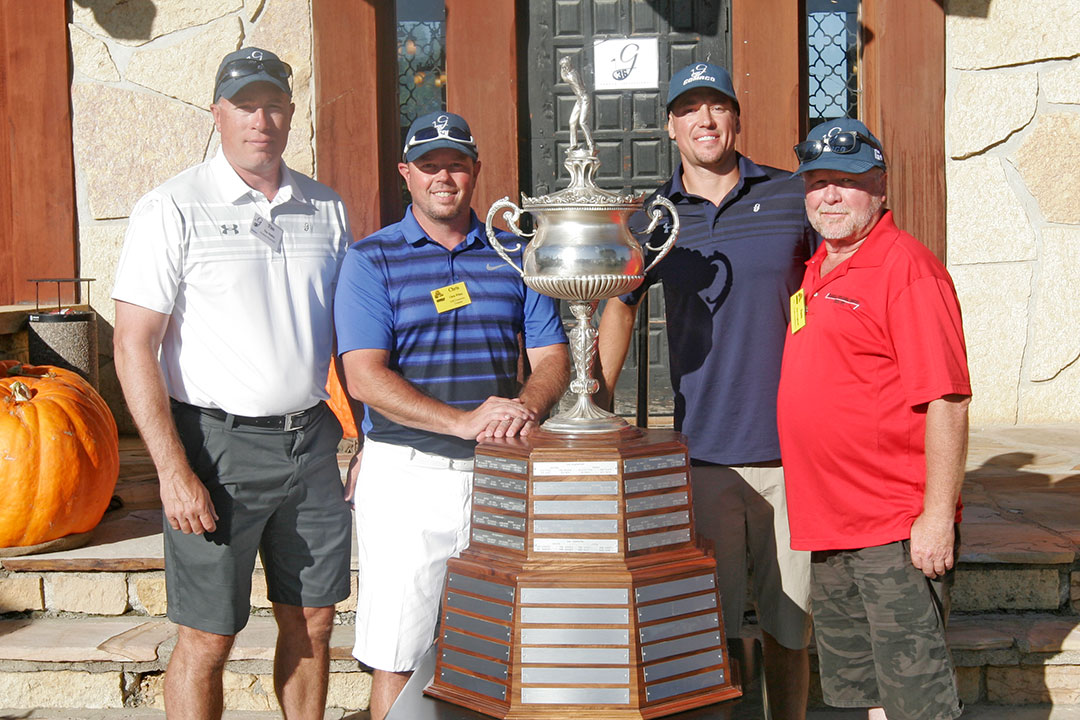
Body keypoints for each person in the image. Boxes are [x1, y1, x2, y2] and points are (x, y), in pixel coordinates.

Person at [112, 47, 353, 720]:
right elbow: (133, 344)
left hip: (311, 445)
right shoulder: (172, 207)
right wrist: (172, 471)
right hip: (215, 448)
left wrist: (362, 435)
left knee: (314, 621)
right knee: (208, 635)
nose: (260, 121)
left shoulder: (326, 208)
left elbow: (347, 336)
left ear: (291, 113)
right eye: (245, 106)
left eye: (273, 105)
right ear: (217, 113)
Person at [596, 62, 816, 719]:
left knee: (789, 630)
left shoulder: (792, 195)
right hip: (704, 456)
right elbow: (620, 306)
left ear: (736, 118)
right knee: (708, 634)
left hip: (792, 454)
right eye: (689, 109)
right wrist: (596, 402)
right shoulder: (653, 218)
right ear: (671, 126)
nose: (705, 120)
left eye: (716, 106)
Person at [334, 111, 570, 720]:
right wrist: (459, 422)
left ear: (476, 172)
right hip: (409, 477)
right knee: (399, 651)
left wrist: (526, 406)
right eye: (430, 165)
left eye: (457, 165)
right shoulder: (371, 259)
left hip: (501, 476)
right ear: (406, 173)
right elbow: (364, 377)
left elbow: (551, 356)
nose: (444, 177)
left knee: (498, 645)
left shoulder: (515, 253)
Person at [777, 118, 970, 720]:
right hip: (831, 527)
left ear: (880, 187)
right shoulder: (818, 266)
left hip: (892, 528)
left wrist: (936, 518)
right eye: (818, 182)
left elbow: (948, 401)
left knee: (916, 703)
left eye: (848, 181)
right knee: (865, 700)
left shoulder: (906, 268)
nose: (830, 195)